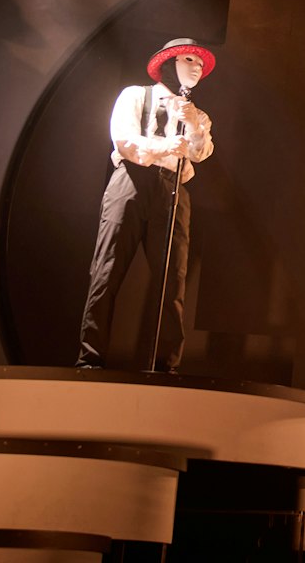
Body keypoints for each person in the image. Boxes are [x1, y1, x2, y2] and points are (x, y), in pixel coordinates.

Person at [76, 38, 216, 372]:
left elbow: (201, 151)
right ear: (169, 63)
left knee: (173, 280)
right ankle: (89, 360)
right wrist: (167, 145)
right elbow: (123, 139)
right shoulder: (136, 95)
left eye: (199, 63)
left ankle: (166, 366)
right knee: (106, 271)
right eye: (188, 59)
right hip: (132, 182)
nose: (196, 67)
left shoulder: (199, 115)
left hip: (173, 190)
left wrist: (193, 122)